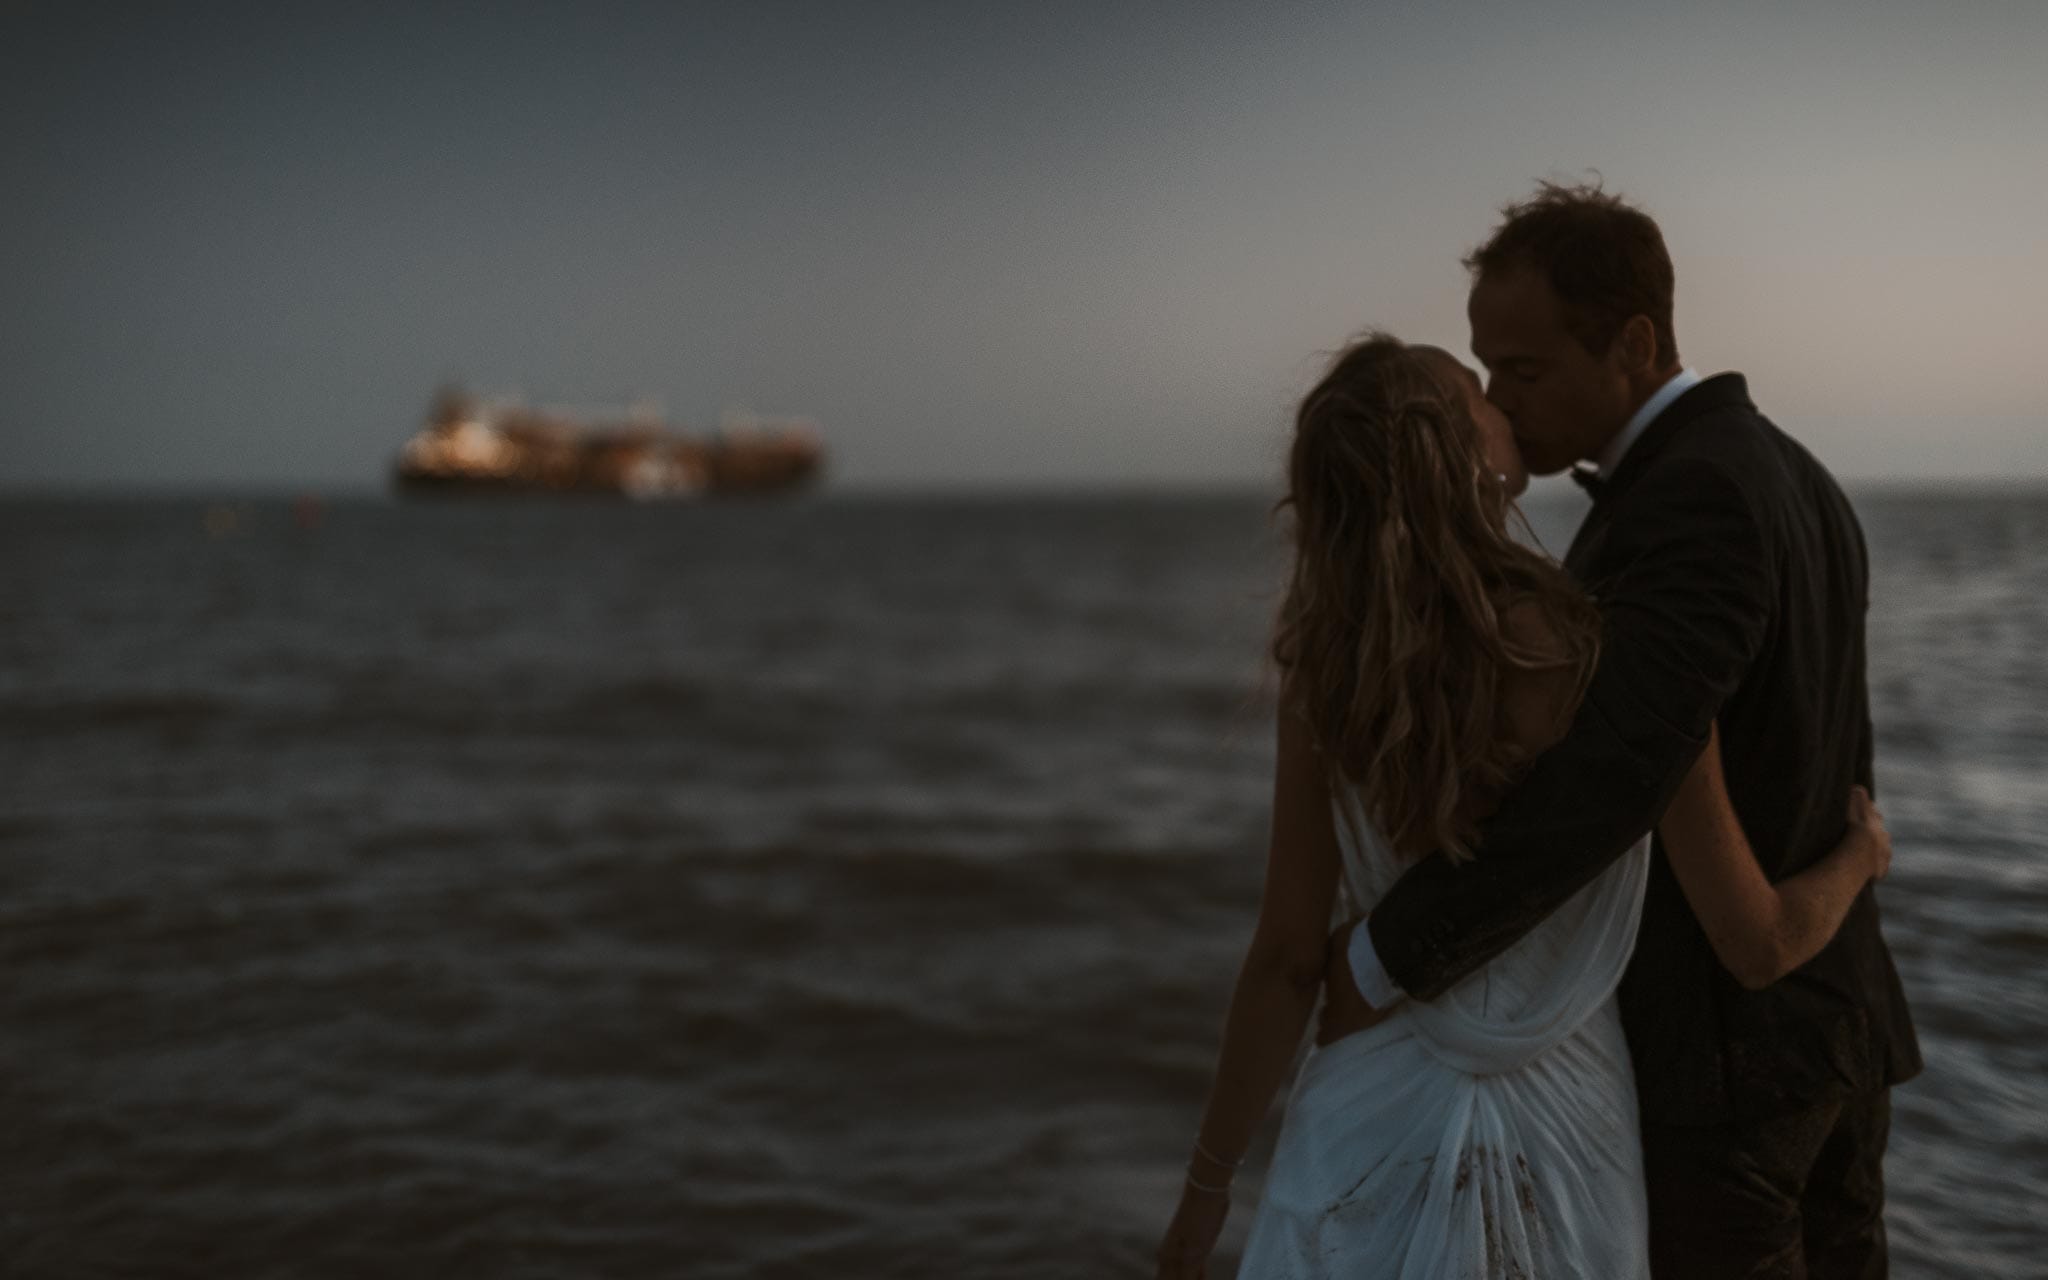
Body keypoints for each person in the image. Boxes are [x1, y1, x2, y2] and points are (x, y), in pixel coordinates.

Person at [1151, 328, 1894, 1278]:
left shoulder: (1330, 674)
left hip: (1368, 1106)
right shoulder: (1604, 660)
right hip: (1570, 1124)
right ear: (1464, 456)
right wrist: (1859, 856)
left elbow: (1288, 963)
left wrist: (1205, 1192)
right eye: (1478, 393)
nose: (1504, 404)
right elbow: (1760, 937)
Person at [1318, 185, 1919, 1276]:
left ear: (1632, 342)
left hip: (1730, 1073)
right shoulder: (1795, 474)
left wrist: (1381, 956)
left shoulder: (1693, 492)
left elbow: (1613, 773)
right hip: (1831, 1036)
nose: (1497, 397)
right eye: (1484, 366)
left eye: (1524, 369)